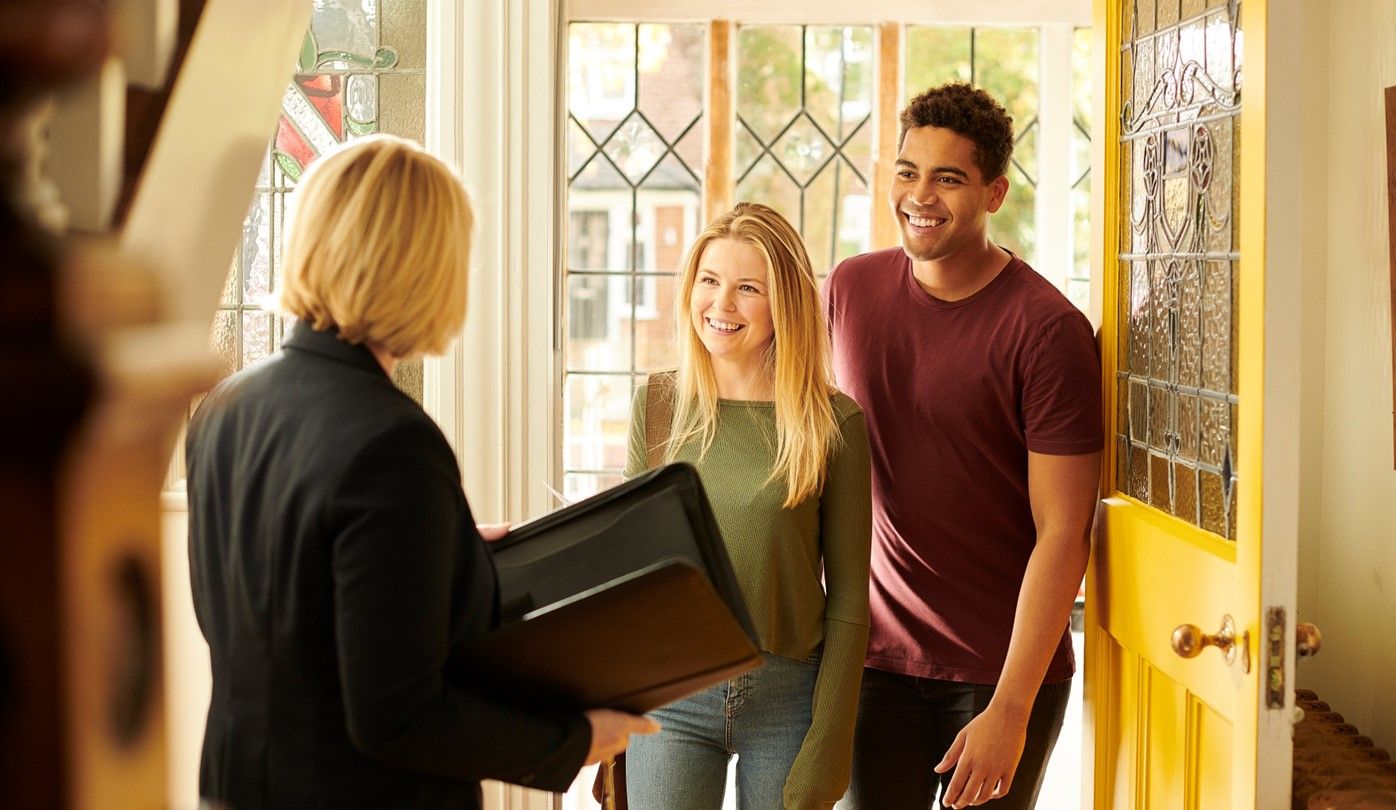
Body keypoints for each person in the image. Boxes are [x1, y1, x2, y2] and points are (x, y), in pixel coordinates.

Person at [185, 134, 657, 810]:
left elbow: (285, 609)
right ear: (421, 267)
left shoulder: (227, 407)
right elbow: (396, 716)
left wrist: (447, 551)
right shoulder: (392, 443)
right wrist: (572, 742)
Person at [826, 84, 1103, 810]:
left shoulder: (1047, 331)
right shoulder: (851, 290)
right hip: (874, 660)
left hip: (1000, 670)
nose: (920, 195)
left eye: (948, 178)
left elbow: (1064, 532)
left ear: (994, 192)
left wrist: (1011, 709)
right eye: (907, 171)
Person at [622, 202, 872, 809]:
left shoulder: (832, 423)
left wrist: (831, 741)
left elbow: (848, 600)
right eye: (709, 282)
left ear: (782, 304)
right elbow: (631, 573)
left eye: (747, 289)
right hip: (673, 698)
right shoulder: (657, 404)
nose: (721, 305)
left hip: (787, 699)